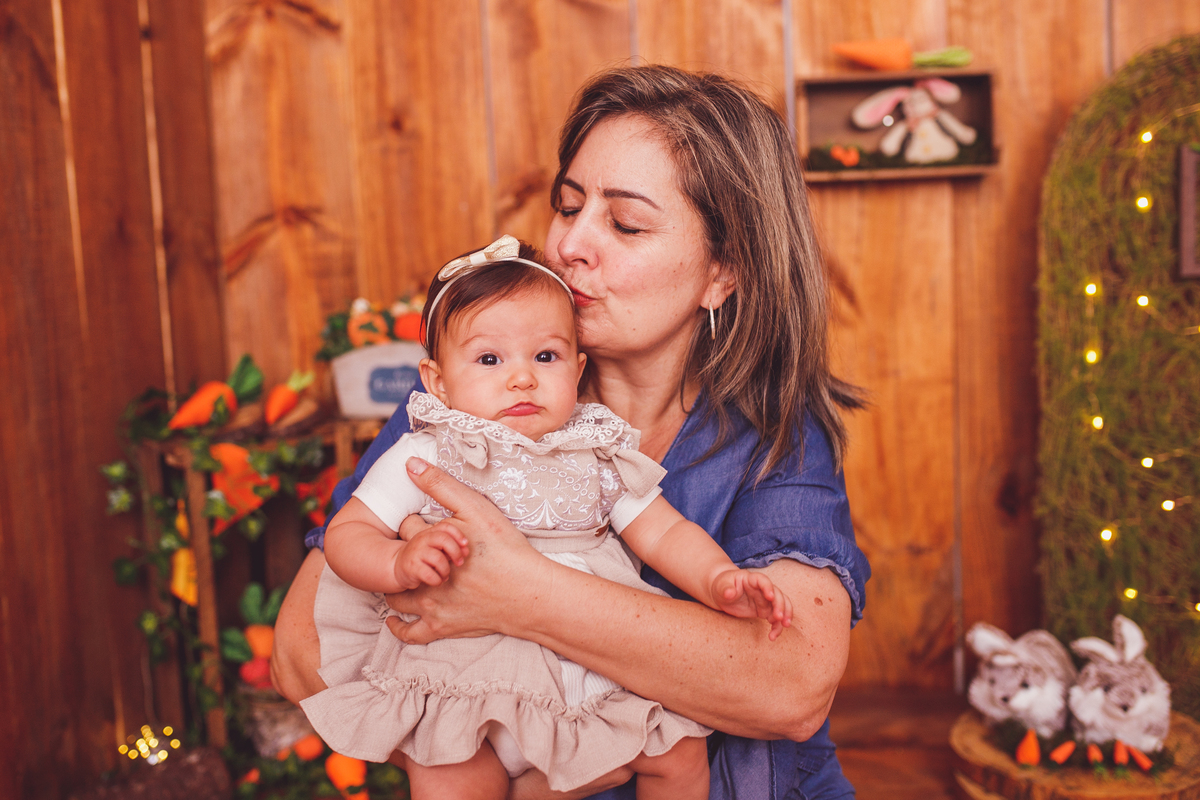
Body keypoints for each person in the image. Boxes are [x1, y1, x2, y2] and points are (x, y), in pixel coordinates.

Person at [272, 64, 871, 800]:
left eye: (624, 223)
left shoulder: (779, 438)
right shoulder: (470, 403)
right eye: (568, 206)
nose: (569, 246)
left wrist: (519, 593)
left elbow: (789, 686)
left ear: (724, 270)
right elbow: (304, 651)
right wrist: (497, 758)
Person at [302, 234, 793, 799]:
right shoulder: (427, 452)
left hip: (589, 671)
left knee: (677, 754)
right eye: (489, 359)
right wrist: (399, 560)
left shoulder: (596, 450)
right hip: (465, 677)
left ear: (577, 369)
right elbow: (349, 534)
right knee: (453, 769)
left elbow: (663, 531)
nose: (522, 378)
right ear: (436, 381)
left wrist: (717, 579)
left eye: (546, 357)